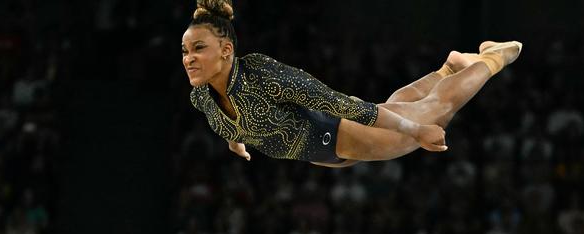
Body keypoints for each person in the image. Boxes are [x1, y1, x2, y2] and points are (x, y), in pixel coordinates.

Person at [183, 0, 522, 167]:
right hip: (326, 153)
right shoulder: (202, 96)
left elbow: (339, 103)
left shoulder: (262, 75)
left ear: (227, 50)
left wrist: (416, 131)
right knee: (398, 104)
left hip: (340, 132)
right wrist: (235, 140)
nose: (189, 58)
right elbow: (233, 122)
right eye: (185, 50)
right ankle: (449, 69)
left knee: (434, 113)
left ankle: (495, 57)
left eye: (199, 48)